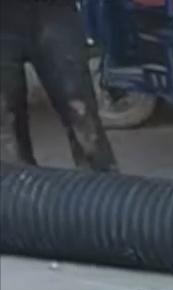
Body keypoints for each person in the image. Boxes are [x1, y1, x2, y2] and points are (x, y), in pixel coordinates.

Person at [0, 0, 117, 171]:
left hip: (53, 13)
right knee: (6, 126)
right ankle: (17, 192)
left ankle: (101, 191)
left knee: (80, 112)